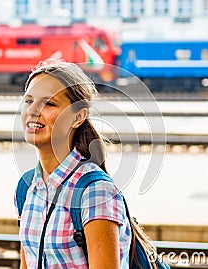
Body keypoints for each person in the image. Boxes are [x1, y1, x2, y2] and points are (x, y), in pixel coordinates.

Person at [15, 59, 132, 269]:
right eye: (28, 101)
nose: (33, 111)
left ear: (78, 117)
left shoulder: (96, 192)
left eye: (49, 103)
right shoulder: (27, 187)